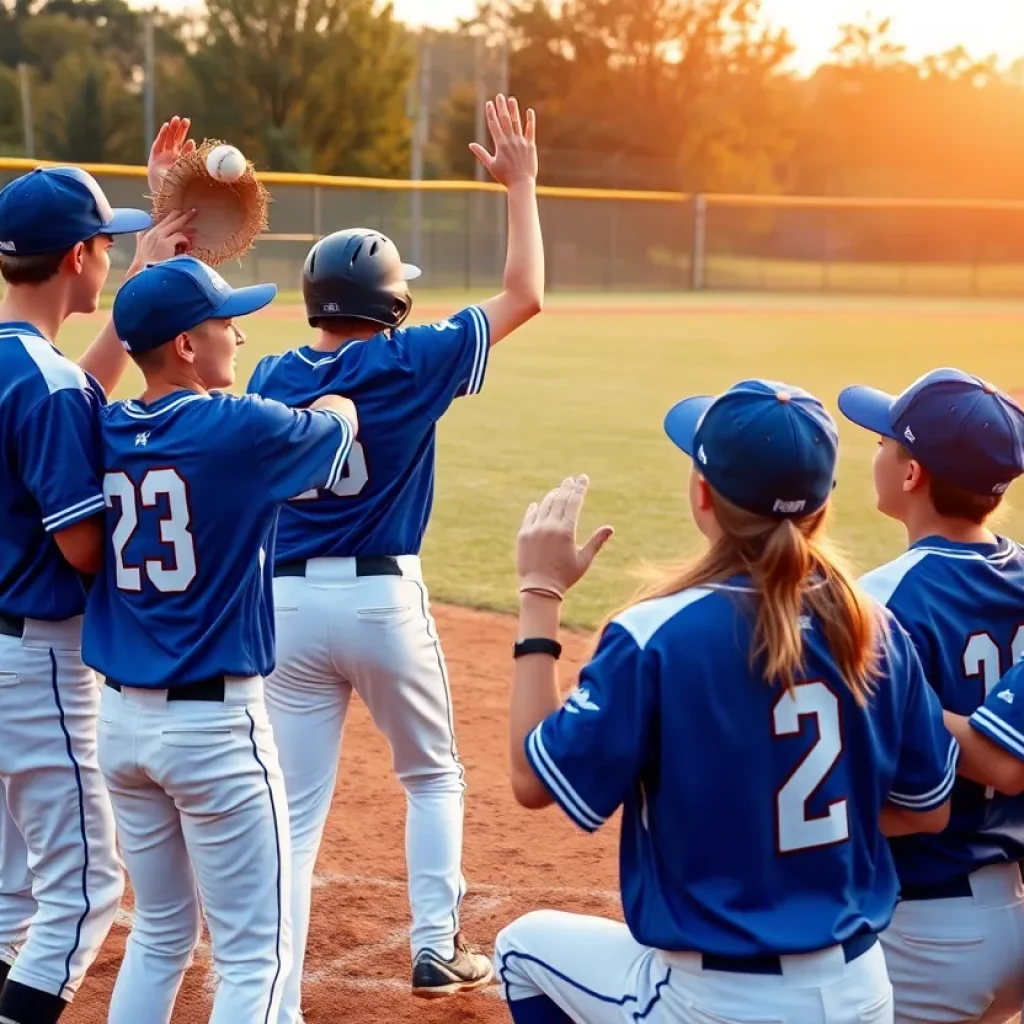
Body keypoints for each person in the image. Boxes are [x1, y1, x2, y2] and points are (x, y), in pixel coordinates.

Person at [494, 380, 958, 1024]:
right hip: (863, 993)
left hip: (719, 1002)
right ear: (821, 508)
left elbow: (532, 778)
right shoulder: (875, 626)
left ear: (703, 495)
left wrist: (540, 592)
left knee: (521, 950)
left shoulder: (657, 635)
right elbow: (927, 811)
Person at [245, 92, 543, 1013]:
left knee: (292, 820)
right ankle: (434, 944)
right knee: (432, 772)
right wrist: (520, 186)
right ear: (394, 302)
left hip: (284, 605)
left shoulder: (270, 372)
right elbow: (526, 295)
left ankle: (275, 999)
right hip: (383, 600)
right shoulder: (412, 360)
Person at [81, 255, 358, 1024]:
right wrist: (338, 395)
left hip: (120, 726)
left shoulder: (100, 425)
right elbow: (337, 430)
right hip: (215, 730)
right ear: (185, 347)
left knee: (161, 933)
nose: (237, 331)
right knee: (255, 959)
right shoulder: (234, 426)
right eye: (222, 322)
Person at [0, 119, 194, 1024]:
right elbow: (81, 547)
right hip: (38, 664)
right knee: (82, 895)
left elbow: (64, 391)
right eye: (107, 246)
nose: (111, 259)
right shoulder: (49, 386)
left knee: (9, 898)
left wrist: (142, 278)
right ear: (78, 256)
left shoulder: (29, 371)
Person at [840, 368, 1024, 1024]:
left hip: (916, 932)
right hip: (1011, 914)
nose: (877, 454)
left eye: (886, 442)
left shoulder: (877, 601)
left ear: (911, 474)